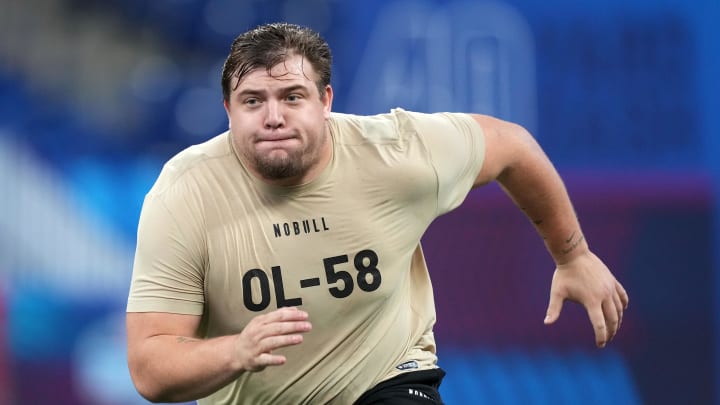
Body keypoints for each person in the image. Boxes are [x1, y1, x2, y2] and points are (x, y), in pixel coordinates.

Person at [126, 22, 629, 405]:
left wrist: (573, 254)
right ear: (228, 109)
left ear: (326, 101)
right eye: (252, 100)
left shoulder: (395, 152)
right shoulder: (185, 193)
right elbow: (151, 367)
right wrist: (235, 352)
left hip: (387, 380)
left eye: (292, 97)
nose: (273, 116)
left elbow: (512, 147)